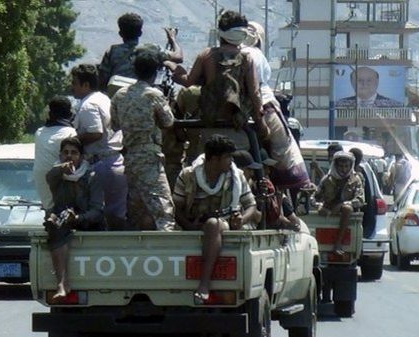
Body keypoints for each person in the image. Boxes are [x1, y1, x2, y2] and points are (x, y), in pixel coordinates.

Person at [173, 135, 258, 301]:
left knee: (213, 224)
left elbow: (251, 205)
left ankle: (204, 283)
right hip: (194, 224)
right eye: (227, 157)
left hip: (224, 223)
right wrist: (188, 225)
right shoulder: (188, 175)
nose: (230, 161)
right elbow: (176, 207)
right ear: (213, 159)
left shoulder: (236, 177)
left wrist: (242, 219)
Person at [164, 11, 266, 136]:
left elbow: (187, 81)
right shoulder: (247, 58)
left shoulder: (207, 55)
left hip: (209, 124)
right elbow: (254, 93)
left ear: (220, 34)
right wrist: (262, 125)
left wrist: (173, 67)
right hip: (237, 127)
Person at [240, 20, 309, 197]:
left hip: (234, 108)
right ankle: (296, 183)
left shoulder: (225, 54)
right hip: (263, 106)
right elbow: (256, 89)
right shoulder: (255, 54)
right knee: (284, 148)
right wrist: (259, 116)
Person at [110, 48, 176, 231]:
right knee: (163, 209)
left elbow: (115, 125)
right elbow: (168, 121)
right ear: (155, 73)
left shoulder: (120, 95)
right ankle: (167, 253)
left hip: (130, 157)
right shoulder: (153, 95)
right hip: (149, 156)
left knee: (136, 209)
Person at [44, 137, 104, 302]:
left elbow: (97, 211)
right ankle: (62, 284)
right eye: (65, 153)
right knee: (53, 224)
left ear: (81, 157)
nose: (69, 156)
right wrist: (60, 169)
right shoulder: (57, 175)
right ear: (60, 155)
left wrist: (77, 218)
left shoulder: (91, 176)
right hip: (62, 224)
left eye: (74, 153)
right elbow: (49, 177)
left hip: (87, 223)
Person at [70, 64, 127, 230]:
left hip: (101, 164)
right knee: (116, 215)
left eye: (75, 83)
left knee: (99, 216)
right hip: (115, 161)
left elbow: (95, 133)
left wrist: (71, 140)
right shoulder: (104, 98)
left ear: (86, 85)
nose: (72, 87)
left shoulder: (88, 105)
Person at [98, 12, 182, 91]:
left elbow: (103, 79)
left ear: (120, 33)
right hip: (143, 94)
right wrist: (172, 39)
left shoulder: (113, 51)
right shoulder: (151, 49)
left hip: (115, 94)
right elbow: (178, 57)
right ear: (140, 33)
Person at [33, 96, 77, 213]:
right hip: (61, 190)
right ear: (68, 113)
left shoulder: (39, 132)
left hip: (44, 190)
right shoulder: (70, 133)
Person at [315, 151, 364, 255]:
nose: (344, 169)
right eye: (341, 166)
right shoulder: (327, 179)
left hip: (345, 212)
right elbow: (314, 198)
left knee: (347, 208)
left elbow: (360, 200)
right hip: (327, 210)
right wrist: (319, 206)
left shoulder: (356, 180)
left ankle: (338, 243)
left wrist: (343, 205)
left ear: (351, 166)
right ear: (335, 165)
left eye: (346, 166)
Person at [336, 67, 403, 108]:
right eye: (360, 80)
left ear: (377, 82)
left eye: (369, 80)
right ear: (351, 82)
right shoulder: (338, 104)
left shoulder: (395, 105)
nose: (364, 84)